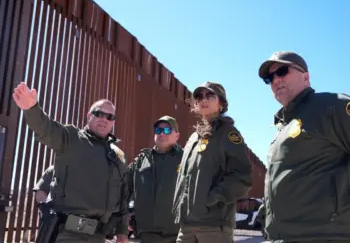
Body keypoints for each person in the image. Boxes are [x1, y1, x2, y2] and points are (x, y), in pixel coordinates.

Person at [12, 82, 129, 243]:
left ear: (113, 122)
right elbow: (47, 129)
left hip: (98, 236)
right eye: (99, 113)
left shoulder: (117, 156)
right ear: (89, 116)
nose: (104, 119)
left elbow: (122, 195)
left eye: (110, 117)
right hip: (67, 234)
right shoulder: (71, 139)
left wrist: (122, 232)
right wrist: (31, 108)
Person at [258, 51, 350, 243]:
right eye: (269, 78)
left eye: (282, 71)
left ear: (306, 76)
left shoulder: (331, 106)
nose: (275, 80)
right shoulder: (282, 127)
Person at [172, 81, 253, 243]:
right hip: (186, 225)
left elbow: (242, 177)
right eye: (199, 96)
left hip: (213, 227)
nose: (204, 99)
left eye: (210, 95)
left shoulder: (228, 134)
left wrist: (211, 199)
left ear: (221, 104)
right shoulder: (193, 138)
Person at [128, 116, 183, 243]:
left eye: (168, 130)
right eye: (158, 131)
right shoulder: (141, 161)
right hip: (148, 235)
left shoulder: (186, 160)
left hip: (178, 235)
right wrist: (126, 217)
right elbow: (124, 190)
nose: (162, 133)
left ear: (177, 135)